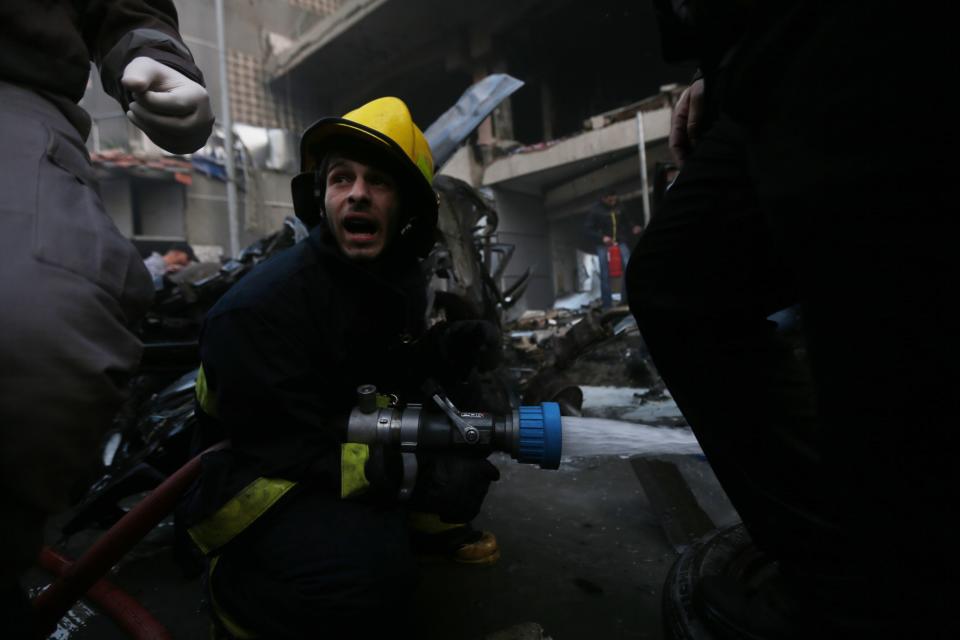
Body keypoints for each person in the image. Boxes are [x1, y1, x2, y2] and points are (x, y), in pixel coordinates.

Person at [628, 1, 956, 637]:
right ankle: (840, 565)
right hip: (760, 63)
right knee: (676, 283)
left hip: (861, 35)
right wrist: (716, 71)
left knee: (876, 336)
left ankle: (884, 595)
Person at [180, 97, 502, 638]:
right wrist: (403, 474)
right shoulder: (260, 309)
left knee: (464, 422)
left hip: (320, 443)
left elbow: (368, 372)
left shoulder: (383, 281)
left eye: (378, 181)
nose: (357, 193)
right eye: (341, 179)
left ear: (407, 210)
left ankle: (406, 522)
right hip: (255, 483)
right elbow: (281, 439)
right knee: (368, 582)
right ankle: (238, 599)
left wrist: (439, 355)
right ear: (322, 197)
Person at [0, 1, 213, 633]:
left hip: (15, 84)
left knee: (32, 341)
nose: (358, 196)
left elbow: (124, 5)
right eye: (343, 177)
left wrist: (151, 50)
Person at [584, 192, 643, 308]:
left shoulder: (619, 207)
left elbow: (627, 221)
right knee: (605, 273)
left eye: (614, 200)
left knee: (629, 266)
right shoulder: (596, 210)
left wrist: (633, 227)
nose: (613, 202)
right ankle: (607, 305)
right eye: (610, 200)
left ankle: (625, 299)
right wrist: (602, 237)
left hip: (620, 241)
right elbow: (588, 229)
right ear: (604, 198)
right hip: (603, 244)